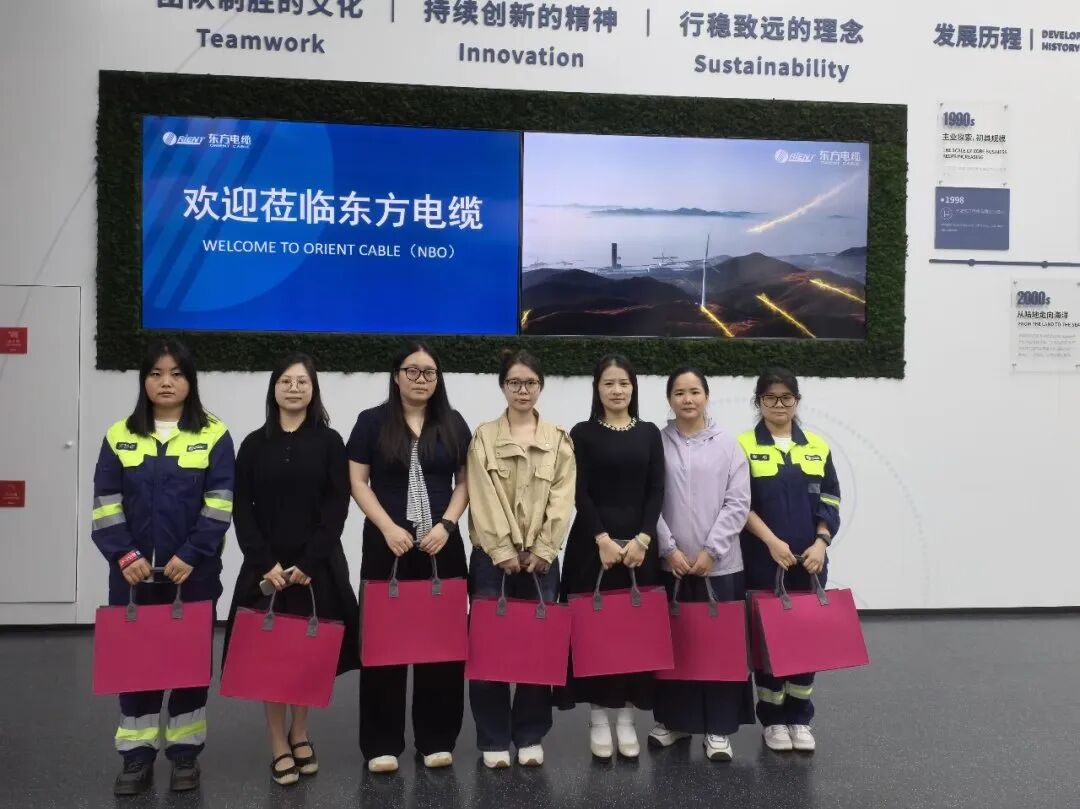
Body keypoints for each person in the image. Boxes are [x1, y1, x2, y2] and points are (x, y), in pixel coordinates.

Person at [91, 340, 234, 796]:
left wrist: (191, 554)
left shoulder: (213, 434)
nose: (166, 382)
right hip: (132, 579)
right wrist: (125, 555)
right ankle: (136, 756)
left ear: (190, 381)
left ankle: (185, 753)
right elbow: (105, 504)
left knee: (188, 665)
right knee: (136, 665)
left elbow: (219, 505)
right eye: (156, 373)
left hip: (192, 575)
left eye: (176, 373)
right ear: (144, 380)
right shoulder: (119, 435)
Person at [223, 353, 359, 786]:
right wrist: (267, 563)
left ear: (314, 390)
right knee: (270, 658)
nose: (294, 388)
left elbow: (337, 506)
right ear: (274, 389)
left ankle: (300, 732)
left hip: (315, 566)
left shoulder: (330, 441)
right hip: (266, 568)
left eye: (302, 382)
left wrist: (309, 562)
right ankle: (277, 742)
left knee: (306, 656)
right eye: (286, 381)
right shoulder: (253, 444)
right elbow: (242, 508)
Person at [347, 341, 471, 773]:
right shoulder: (371, 421)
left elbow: (465, 482)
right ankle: (381, 743)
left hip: (442, 545)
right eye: (412, 371)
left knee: (442, 644)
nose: (421, 379)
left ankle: (436, 739)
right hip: (387, 545)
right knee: (385, 644)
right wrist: (387, 527)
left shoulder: (452, 422)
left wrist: (447, 525)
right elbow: (358, 481)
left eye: (429, 372)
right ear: (396, 375)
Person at [465, 349, 576, 769]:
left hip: (541, 563)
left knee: (537, 650)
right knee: (489, 649)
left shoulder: (558, 439)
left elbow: (563, 498)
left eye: (530, 382)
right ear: (503, 386)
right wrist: (503, 550)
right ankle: (493, 737)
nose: (522, 390)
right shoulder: (483, 437)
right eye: (514, 382)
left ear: (540, 386)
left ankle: (530, 735)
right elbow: (481, 496)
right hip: (491, 560)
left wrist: (545, 548)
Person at [558, 354, 665, 759]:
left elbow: (657, 489)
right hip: (592, 547)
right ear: (597, 389)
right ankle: (600, 716)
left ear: (633, 388)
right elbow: (578, 491)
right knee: (596, 633)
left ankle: (627, 719)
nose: (617, 390)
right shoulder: (582, 433)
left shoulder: (649, 433)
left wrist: (643, 538)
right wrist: (601, 538)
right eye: (609, 383)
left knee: (634, 634)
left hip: (640, 549)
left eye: (624, 383)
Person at [647, 367, 753, 761]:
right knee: (676, 647)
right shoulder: (657, 442)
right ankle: (674, 722)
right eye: (679, 392)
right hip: (671, 564)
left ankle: (718, 728)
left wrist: (712, 550)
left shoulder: (728, 444)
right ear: (669, 399)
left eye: (694, 391)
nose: (687, 399)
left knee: (718, 648)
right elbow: (649, 500)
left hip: (720, 566)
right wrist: (668, 548)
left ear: (707, 396)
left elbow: (738, 502)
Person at [738, 368, 842, 753]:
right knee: (768, 643)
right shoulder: (743, 446)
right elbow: (739, 504)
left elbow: (830, 498)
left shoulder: (817, 446)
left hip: (809, 564)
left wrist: (821, 543)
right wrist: (770, 542)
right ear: (759, 402)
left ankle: (800, 718)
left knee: (804, 641)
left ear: (797, 401)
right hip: (764, 562)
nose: (778, 404)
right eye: (770, 397)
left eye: (786, 397)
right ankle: (773, 720)